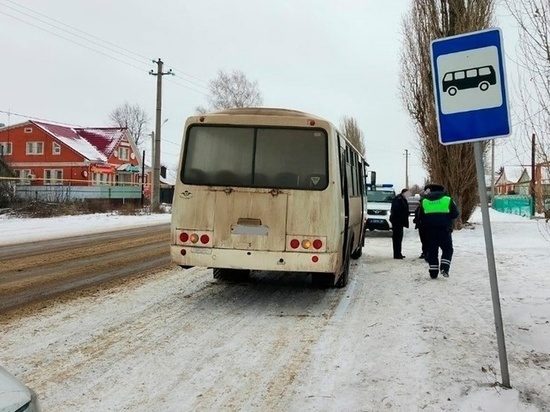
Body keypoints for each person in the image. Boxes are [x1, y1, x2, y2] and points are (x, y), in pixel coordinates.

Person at [418, 184, 459, 279]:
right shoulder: (448, 200)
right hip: (444, 230)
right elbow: (455, 214)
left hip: (429, 230)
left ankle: (433, 272)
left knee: (432, 251)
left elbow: (421, 216)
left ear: (431, 191)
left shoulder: (424, 201)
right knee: (447, 249)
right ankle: (444, 268)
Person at [389, 188, 410, 259]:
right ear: (404, 193)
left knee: (399, 238)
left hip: (399, 221)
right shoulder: (398, 199)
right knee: (397, 238)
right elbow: (396, 210)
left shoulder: (402, 199)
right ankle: (397, 254)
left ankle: (398, 253)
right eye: (407, 193)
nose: (408, 195)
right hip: (397, 221)